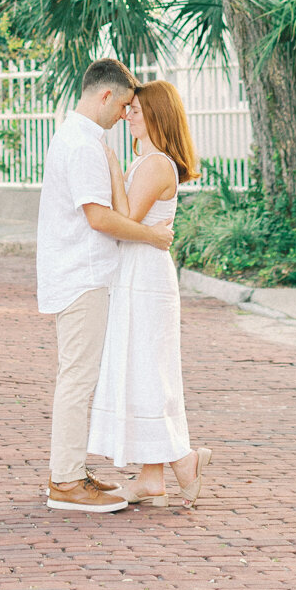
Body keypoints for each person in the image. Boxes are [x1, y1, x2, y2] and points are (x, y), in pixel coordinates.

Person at [37, 57, 175, 513]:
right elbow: (100, 218)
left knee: (79, 376)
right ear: (106, 96)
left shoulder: (82, 140)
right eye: (124, 106)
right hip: (83, 275)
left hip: (87, 274)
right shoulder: (80, 145)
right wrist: (154, 236)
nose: (125, 116)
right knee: (77, 378)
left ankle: (72, 472)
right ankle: (66, 482)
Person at [88, 80, 212, 508]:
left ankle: (182, 459)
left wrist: (109, 164)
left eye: (137, 109)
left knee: (149, 372)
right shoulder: (147, 161)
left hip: (146, 277)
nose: (128, 114)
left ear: (158, 114)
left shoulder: (157, 163)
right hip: (135, 272)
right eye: (128, 108)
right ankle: (152, 478)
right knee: (141, 371)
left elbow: (125, 216)